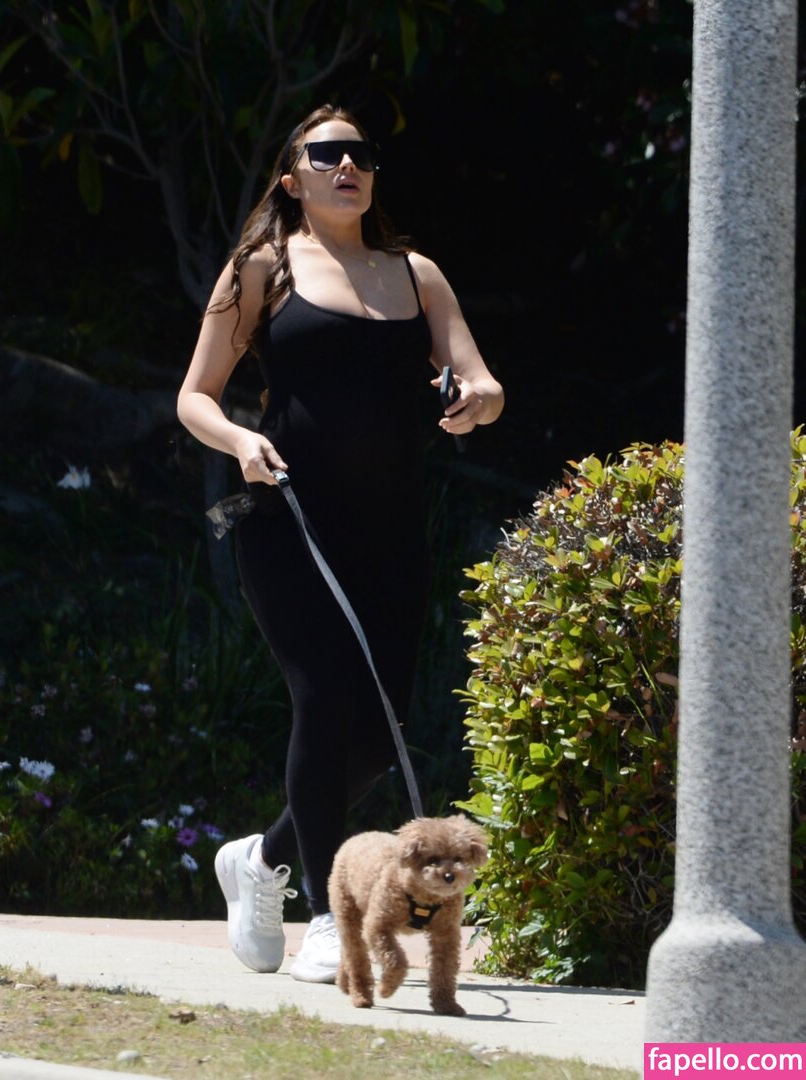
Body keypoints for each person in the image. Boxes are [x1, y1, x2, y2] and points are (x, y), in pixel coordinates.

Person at [177, 104, 503, 983]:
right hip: (289, 524)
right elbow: (195, 396)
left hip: (392, 534)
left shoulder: (416, 275)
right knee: (322, 702)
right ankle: (327, 915)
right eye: (327, 154)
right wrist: (240, 441)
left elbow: (484, 383)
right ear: (293, 179)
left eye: (360, 153)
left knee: (374, 739)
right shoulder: (262, 268)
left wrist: (474, 400)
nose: (348, 165)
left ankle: (261, 860)